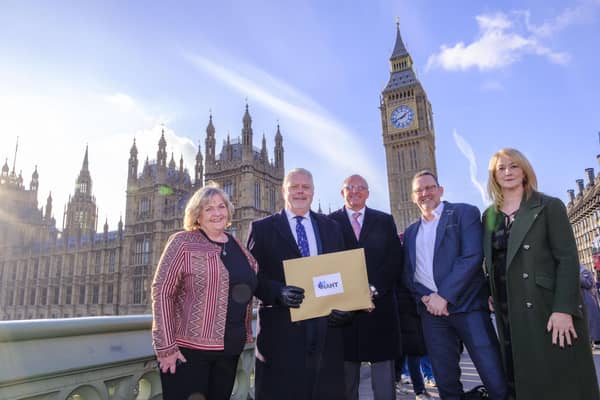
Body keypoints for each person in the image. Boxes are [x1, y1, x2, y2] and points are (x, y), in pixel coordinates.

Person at [483, 148, 600, 400]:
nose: (508, 172)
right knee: (518, 378)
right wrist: (489, 290)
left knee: (557, 380)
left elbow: (568, 259)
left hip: (545, 307)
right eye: (501, 168)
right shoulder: (490, 216)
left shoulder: (547, 206)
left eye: (514, 166)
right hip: (507, 309)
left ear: (525, 170)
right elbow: (490, 259)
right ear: (494, 176)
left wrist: (564, 308)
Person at [247, 167, 351, 400]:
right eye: (294, 187)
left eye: (305, 187)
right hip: (282, 332)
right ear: (284, 191)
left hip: (326, 331)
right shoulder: (261, 229)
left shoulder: (331, 227)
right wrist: (277, 291)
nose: (300, 192)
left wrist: (347, 307)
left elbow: (343, 273)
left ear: (313, 192)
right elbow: (252, 277)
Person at [403, 170, 507, 400]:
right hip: (432, 314)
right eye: (419, 190)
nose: (425, 193)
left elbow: (471, 256)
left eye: (430, 187)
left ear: (440, 190)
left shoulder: (463, 213)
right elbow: (409, 273)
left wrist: (444, 296)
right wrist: (425, 298)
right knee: (445, 380)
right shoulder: (410, 232)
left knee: (493, 374)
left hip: (468, 307)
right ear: (412, 197)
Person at [151, 185, 258, 400]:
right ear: (197, 214)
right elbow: (162, 291)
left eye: (221, 207)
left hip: (229, 350)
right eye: (208, 209)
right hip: (190, 352)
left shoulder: (237, 244)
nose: (217, 213)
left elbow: (253, 283)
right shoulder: (183, 242)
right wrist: (166, 347)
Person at [328, 174, 402, 400]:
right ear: (342, 193)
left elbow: (395, 260)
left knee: (384, 386)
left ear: (368, 193)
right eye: (349, 187)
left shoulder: (385, 220)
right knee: (346, 384)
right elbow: (326, 265)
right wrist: (351, 297)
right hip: (345, 316)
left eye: (361, 187)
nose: (355, 191)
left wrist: (373, 290)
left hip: (379, 308)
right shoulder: (328, 223)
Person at [580, 265, 600, 348]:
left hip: (588, 301)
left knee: (592, 322)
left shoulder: (584, 271)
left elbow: (588, 283)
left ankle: (597, 341)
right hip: (584, 302)